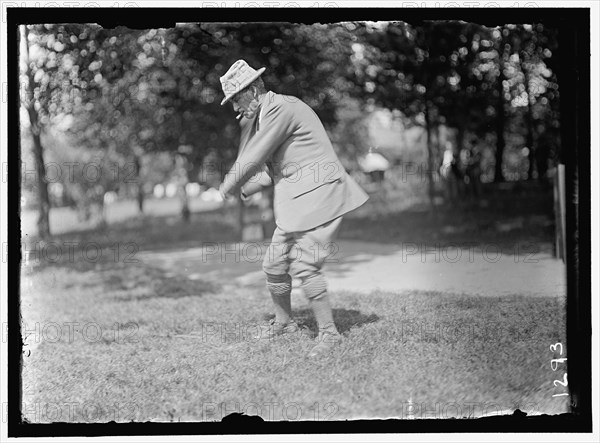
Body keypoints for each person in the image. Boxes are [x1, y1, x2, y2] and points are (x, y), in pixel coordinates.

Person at [218, 59, 369, 358]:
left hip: (320, 192)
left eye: (237, 98)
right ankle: (284, 322)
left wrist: (228, 185)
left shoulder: (280, 108)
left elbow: (253, 157)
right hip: (298, 198)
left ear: (254, 89)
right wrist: (245, 186)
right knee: (274, 265)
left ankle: (329, 334)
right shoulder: (264, 116)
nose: (236, 108)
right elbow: (273, 169)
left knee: (304, 264)